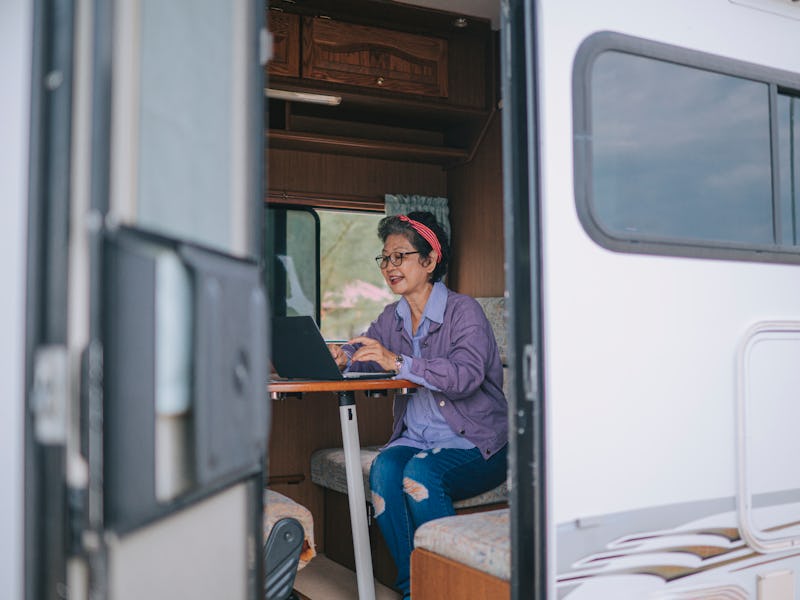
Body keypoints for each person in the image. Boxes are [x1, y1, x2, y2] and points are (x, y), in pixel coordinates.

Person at [329, 211, 508, 600]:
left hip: (479, 445)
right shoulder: (391, 317)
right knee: (385, 468)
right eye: (385, 258)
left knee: (421, 475)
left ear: (429, 261)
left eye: (400, 256)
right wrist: (343, 355)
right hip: (419, 439)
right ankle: (416, 590)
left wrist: (398, 361)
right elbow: (366, 347)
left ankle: (449, 590)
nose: (390, 267)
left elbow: (465, 377)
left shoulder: (465, 312)